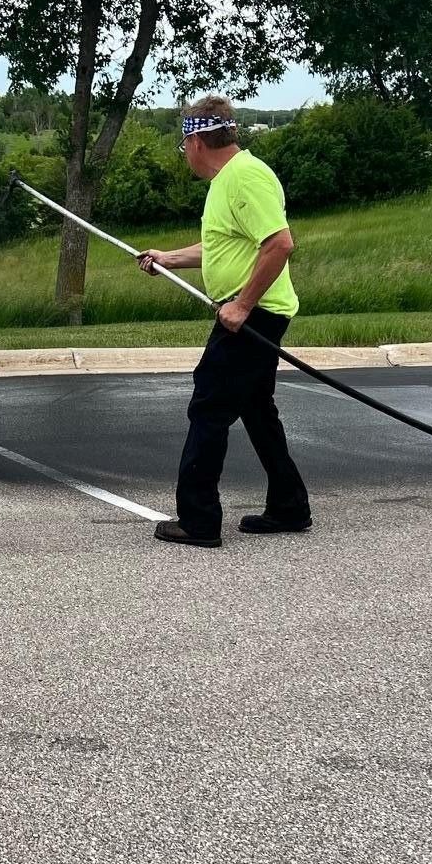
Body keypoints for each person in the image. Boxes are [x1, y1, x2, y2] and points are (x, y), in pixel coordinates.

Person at [138, 95, 312, 548]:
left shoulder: (246, 177)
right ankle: (289, 507)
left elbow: (280, 244)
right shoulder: (229, 181)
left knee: (209, 407)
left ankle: (197, 521)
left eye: (183, 145)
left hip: (252, 315)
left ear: (195, 140)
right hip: (253, 312)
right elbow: (224, 248)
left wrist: (241, 305)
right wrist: (168, 259)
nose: (186, 154)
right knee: (255, 409)